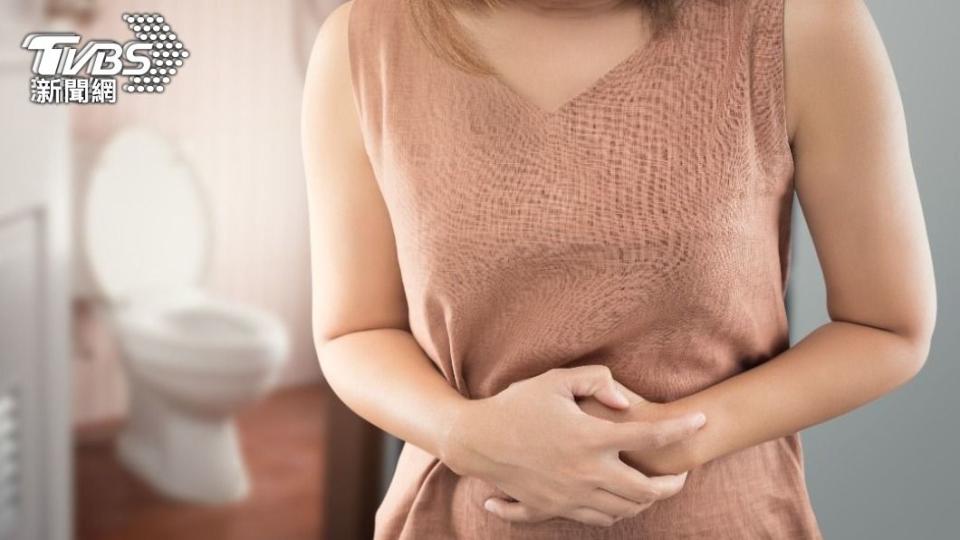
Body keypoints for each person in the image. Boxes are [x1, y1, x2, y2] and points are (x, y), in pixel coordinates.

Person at [301, 0, 937, 537]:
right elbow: (353, 331)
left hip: (720, 517)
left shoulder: (802, 23)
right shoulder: (361, 45)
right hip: (460, 519)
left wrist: (674, 438)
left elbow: (887, 327)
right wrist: (464, 433)